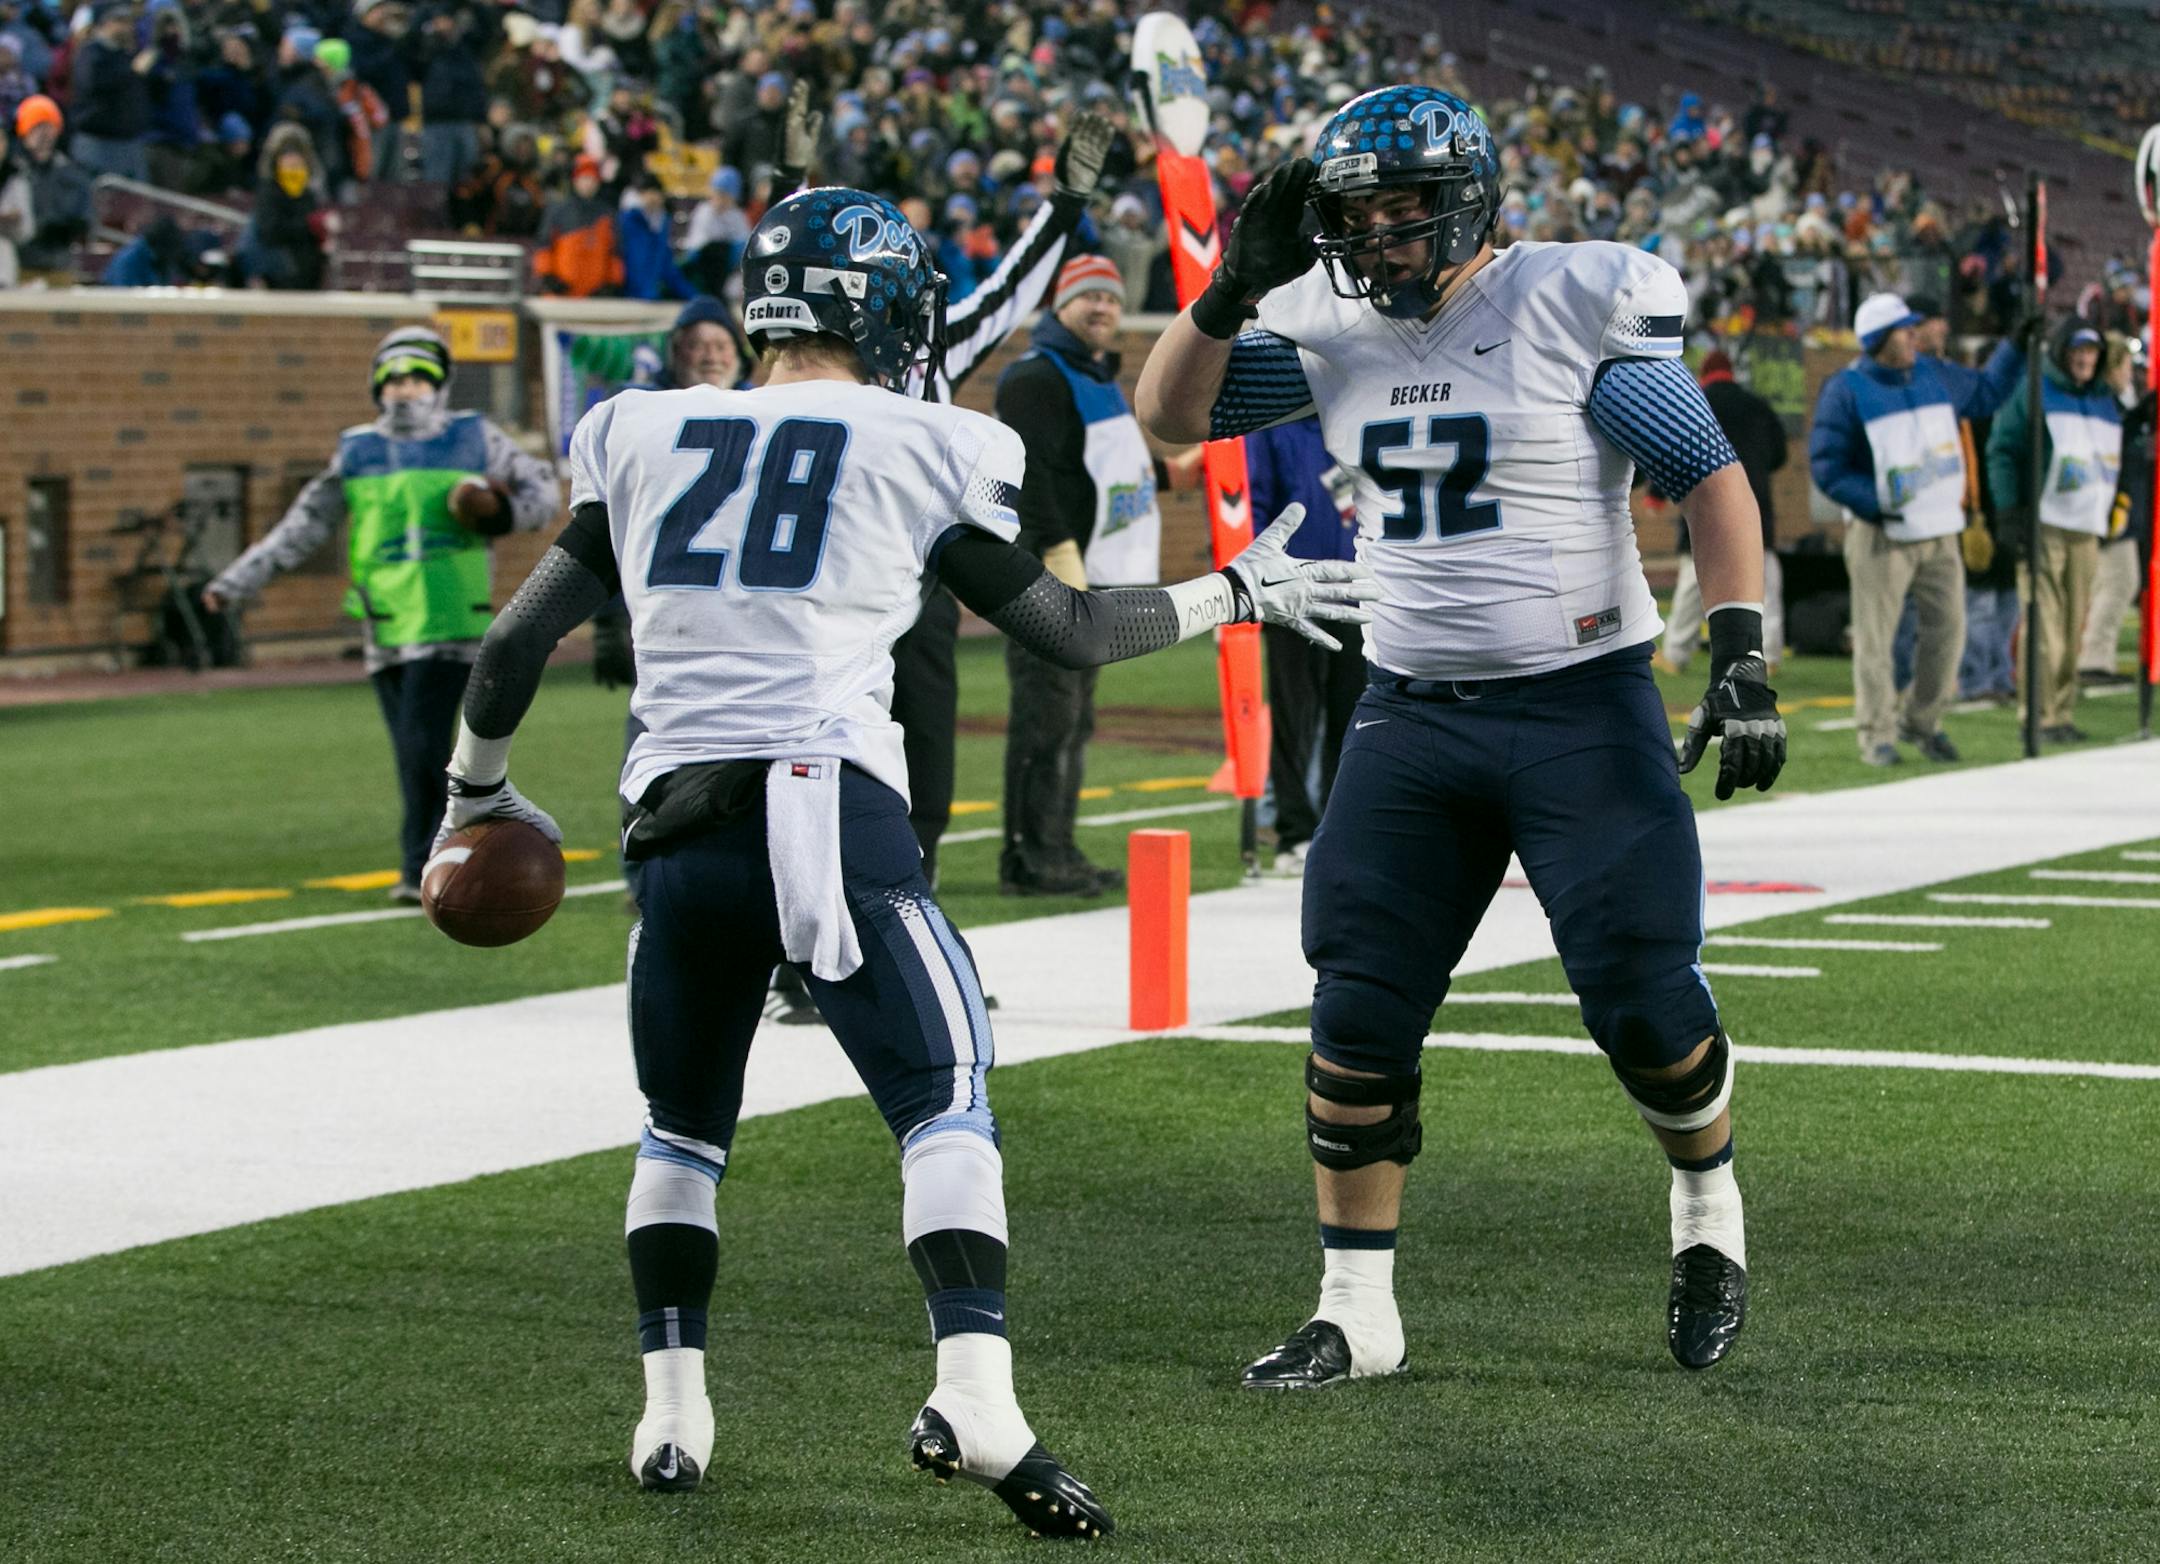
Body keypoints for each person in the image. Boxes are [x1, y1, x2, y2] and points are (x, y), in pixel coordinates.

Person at [428, 184, 1373, 1524]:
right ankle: (976, 1396)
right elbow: (1068, 626)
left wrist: (474, 798)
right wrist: (1235, 589)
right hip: (827, 805)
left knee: (683, 1127)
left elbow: (517, 644)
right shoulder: (925, 437)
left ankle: (672, 1411)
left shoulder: (639, 429)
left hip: (672, 834)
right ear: (876, 307)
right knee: (946, 1092)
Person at [1137, 84, 1787, 1384]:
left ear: (1468, 201)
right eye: (1357, 213)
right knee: (1357, 1002)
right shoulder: (1325, 323)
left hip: (1579, 704)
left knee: (1643, 997)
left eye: (1404, 208)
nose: (1378, 236)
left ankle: (1708, 1201)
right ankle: (1356, 1312)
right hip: (1414, 711)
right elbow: (1171, 416)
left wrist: (1741, 652)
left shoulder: (1566, 296)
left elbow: (1708, 471)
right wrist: (1219, 295)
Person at [201, 328, 560, 900]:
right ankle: (459, 851)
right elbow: (302, 527)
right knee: (414, 752)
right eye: (393, 378)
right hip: (385, 623)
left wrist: (496, 514)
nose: (404, 389)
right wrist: (236, 581)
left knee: (423, 745)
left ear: (439, 383)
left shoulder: (474, 436)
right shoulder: (357, 448)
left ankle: (419, 865)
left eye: (417, 377)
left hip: (450, 618)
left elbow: (542, 492)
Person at [994, 254, 1162, 896]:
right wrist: (1059, 552)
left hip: (1091, 580)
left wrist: (1167, 475)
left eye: (1113, 299)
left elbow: (1090, 472)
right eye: (1090, 297)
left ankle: (1055, 846)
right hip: (1056, 580)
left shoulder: (1091, 374)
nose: (1104, 309)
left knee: (1070, 721)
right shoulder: (1038, 376)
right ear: (1061, 305)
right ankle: (1032, 857)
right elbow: (1031, 475)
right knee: (1047, 719)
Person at [1810, 292, 2025, 765]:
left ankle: (1923, 722)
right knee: (1876, 640)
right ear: (1879, 339)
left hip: (1940, 529)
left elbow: (1988, 393)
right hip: (1881, 533)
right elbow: (1826, 465)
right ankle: (1876, 733)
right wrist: (1874, 504)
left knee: (1949, 634)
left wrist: (2017, 347)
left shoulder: (1934, 374)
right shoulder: (1845, 389)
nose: (1915, 335)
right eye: (1905, 330)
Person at [1986, 319, 2122, 743]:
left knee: (2074, 625)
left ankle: (2060, 712)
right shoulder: (2034, 388)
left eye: (2092, 352)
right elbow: (2003, 449)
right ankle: (2039, 715)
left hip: (2086, 527)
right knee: (2044, 625)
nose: (2084, 358)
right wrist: (2009, 510)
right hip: (2044, 523)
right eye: (2077, 350)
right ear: (2063, 352)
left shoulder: (2104, 399)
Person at [1244, 411, 1365, 875]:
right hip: (1289, 593)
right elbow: (1255, 500)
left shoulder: (1349, 419)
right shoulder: (1272, 429)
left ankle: (1341, 828)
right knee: (1295, 717)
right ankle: (1293, 832)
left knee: (1350, 715)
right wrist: (1257, 582)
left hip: (1351, 588)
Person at [1661, 350, 1787, 671]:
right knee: (1765, 583)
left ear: (1703, 373)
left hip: (1705, 501)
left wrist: (1656, 491)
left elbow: (1671, 448)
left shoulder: (1695, 401)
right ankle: (1769, 655)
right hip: (1755, 503)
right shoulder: (1759, 406)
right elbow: (1780, 455)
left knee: (1692, 582)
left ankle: (1676, 653)